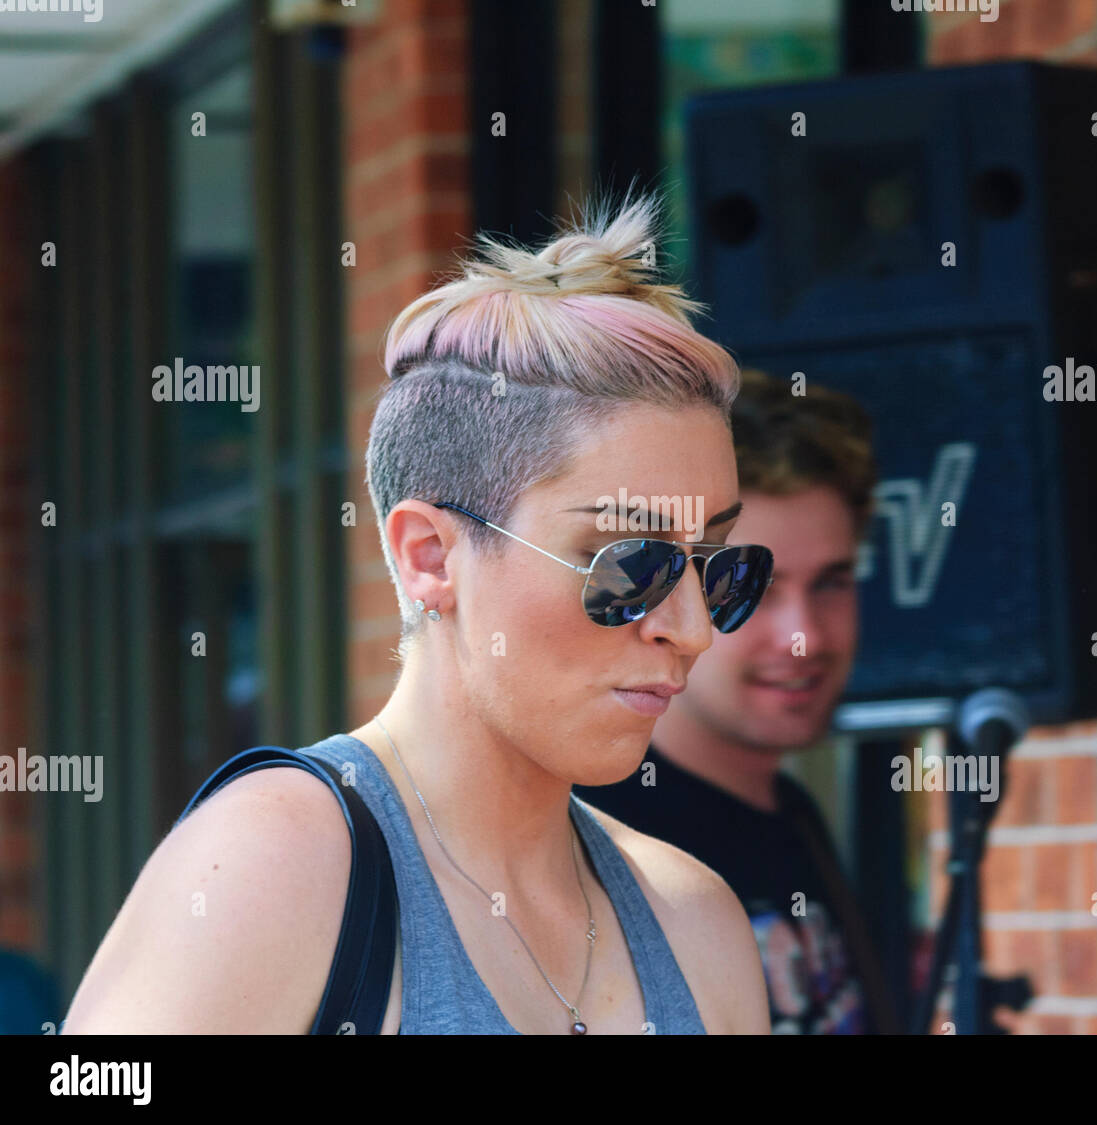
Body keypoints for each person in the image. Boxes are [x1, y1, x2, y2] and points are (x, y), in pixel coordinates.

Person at [60, 190, 774, 1035]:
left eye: (717, 567)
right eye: (633, 564)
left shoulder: (695, 924)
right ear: (430, 557)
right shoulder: (277, 862)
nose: (691, 629)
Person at [575, 367, 899, 1034]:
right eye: (756, 585)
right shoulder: (597, 842)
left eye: (833, 582)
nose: (804, 637)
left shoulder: (793, 814)